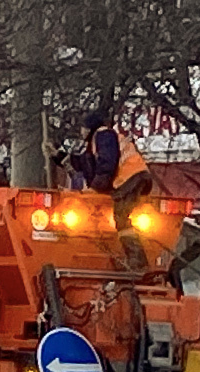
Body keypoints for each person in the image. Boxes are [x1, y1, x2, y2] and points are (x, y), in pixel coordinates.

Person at [62, 109, 153, 270]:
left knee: (121, 217)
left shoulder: (103, 135)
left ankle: (137, 260)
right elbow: (84, 163)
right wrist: (58, 155)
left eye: (83, 128)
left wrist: (96, 187)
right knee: (124, 216)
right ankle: (135, 258)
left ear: (89, 128)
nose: (81, 132)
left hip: (130, 177)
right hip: (136, 177)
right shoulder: (98, 142)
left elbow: (106, 165)